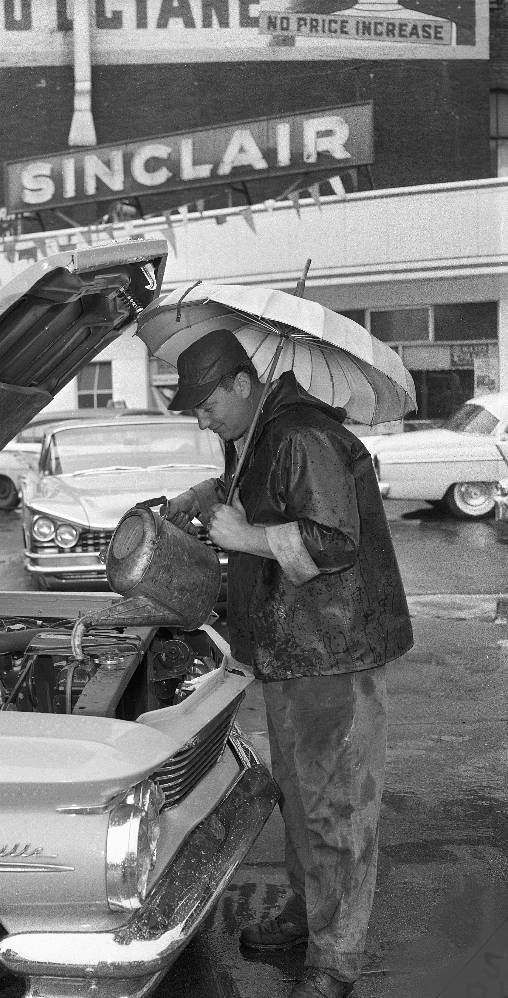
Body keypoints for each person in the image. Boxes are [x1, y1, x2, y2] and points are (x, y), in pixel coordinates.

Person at [164, 328, 413, 998]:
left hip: (332, 652)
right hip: (289, 648)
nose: (202, 415)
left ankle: (335, 960)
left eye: (207, 402)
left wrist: (245, 536)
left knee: (337, 808)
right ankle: (310, 917)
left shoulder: (302, 434)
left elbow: (334, 539)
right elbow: (268, 489)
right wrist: (208, 491)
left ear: (242, 382)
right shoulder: (259, 432)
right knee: (303, 801)